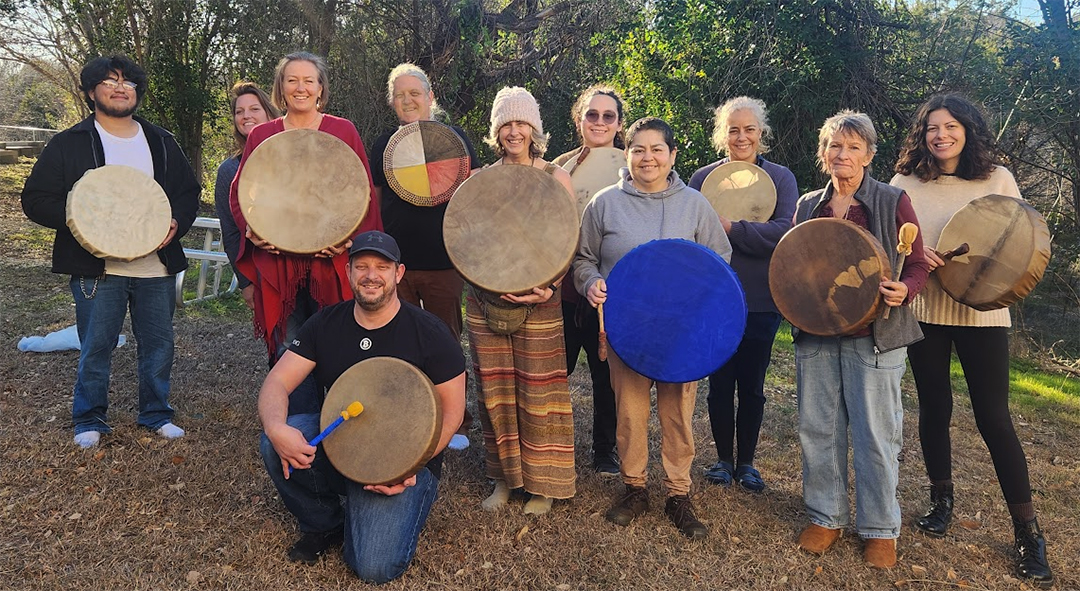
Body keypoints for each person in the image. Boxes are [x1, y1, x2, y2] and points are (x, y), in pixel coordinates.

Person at [891, 93, 1054, 586]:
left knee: (994, 418)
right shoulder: (904, 183)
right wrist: (921, 260)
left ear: (968, 129)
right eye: (931, 128)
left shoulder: (998, 179)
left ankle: (1028, 533)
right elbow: (891, 247)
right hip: (928, 310)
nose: (940, 135)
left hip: (984, 314)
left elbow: (1020, 241)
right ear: (921, 135)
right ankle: (941, 503)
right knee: (934, 408)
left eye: (950, 126)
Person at [258, 230, 465, 584]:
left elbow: (453, 411)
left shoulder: (430, 332)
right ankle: (325, 522)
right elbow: (277, 382)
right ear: (348, 272)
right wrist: (277, 427)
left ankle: (369, 512)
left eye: (382, 267)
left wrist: (411, 465)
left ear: (398, 274)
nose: (372, 275)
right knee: (276, 439)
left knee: (373, 567)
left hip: (406, 461)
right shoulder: (325, 323)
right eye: (362, 266)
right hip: (341, 441)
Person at [21, 55, 200, 449]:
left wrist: (176, 223)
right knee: (96, 345)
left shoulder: (161, 140)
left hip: (155, 264)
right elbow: (35, 199)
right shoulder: (70, 142)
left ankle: (156, 413)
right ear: (91, 91)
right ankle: (89, 418)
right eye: (109, 80)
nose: (120, 87)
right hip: (97, 266)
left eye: (128, 82)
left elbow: (188, 193)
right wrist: (82, 215)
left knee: (158, 344)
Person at [574, 116, 732, 539]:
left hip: (682, 334)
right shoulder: (605, 203)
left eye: (656, 149)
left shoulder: (695, 205)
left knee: (677, 412)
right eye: (638, 149)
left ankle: (678, 493)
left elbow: (720, 263)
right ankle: (634, 488)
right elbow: (583, 259)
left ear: (673, 155)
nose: (648, 158)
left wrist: (699, 308)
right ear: (627, 155)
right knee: (629, 411)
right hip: (627, 331)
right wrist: (591, 283)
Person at [793, 110, 929, 568]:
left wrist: (904, 289)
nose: (842, 154)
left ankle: (879, 528)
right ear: (824, 153)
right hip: (815, 333)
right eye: (835, 145)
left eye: (853, 147)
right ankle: (825, 516)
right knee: (818, 427)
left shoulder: (893, 201)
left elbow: (918, 264)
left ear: (869, 154)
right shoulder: (808, 203)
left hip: (875, 334)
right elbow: (795, 266)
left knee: (875, 433)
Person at [228, 52, 382, 415]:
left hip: (332, 262)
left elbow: (360, 192)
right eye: (292, 80)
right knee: (290, 347)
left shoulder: (342, 130)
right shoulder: (263, 134)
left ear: (320, 88)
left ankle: (341, 423)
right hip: (280, 264)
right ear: (281, 87)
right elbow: (243, 193)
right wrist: (253, 231)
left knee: (339, 342)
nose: (300, 87)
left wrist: (351, 241)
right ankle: (299, 425)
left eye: (308, 80)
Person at [466, 86, 577, 515]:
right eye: (506, 124)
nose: (514, 132)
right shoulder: (481, 179)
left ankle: (543, 484)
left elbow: (568, 239)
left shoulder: (555, 176)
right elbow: (465, 241)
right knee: (495, 389)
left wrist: (550, 286)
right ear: (497, 131)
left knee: (539, 389)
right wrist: (483, 287)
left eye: (521, 124)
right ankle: (503, 479)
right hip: (485, 298)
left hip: (542, 295)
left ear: (534, 129)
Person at [687, 96, 797, 492]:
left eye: (749, 129)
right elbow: (694, 236)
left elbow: (783, 232)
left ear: (761, 133)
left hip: (762, 300)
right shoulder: (701, 179)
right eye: (733, 129)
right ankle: (722, 460)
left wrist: (731, 228)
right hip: (714, 299)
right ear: (722, 135)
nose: (741, 136)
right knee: (719, 383)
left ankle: (747, 463)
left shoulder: (781, 179)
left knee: (752, 384)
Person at [368, 63, 479, 451]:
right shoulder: (383, 145)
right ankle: (408, 414)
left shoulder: (456, 139)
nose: (408, 100)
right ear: (392, 102)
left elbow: (474, 200)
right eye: (400, 95)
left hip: (444, 262)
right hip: (397, 265)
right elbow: (376, 207)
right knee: (397, 340)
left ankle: (456, 422)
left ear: (431, 97)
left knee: (445, 341)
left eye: (415, 93)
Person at [550, 84, 626, 476]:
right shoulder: (558, 167)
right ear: (579, 120)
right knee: (554, 371)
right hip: (562, 286)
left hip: (611, 288)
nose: (599, 122)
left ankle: (605, 450)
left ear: (619, 123)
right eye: (591, 115)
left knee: (607, 376)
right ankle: (552, 446)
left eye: (608, 116)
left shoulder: (636, 166)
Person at [213, 81, 278, 310]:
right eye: (239, 112)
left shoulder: (295, 158)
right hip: (263, 271)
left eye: (254, 109)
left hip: (311, 267)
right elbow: (230, 231)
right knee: (284, 342)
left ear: (269, 113)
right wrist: (245, 281)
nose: (246, 116)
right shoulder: (228, 171)